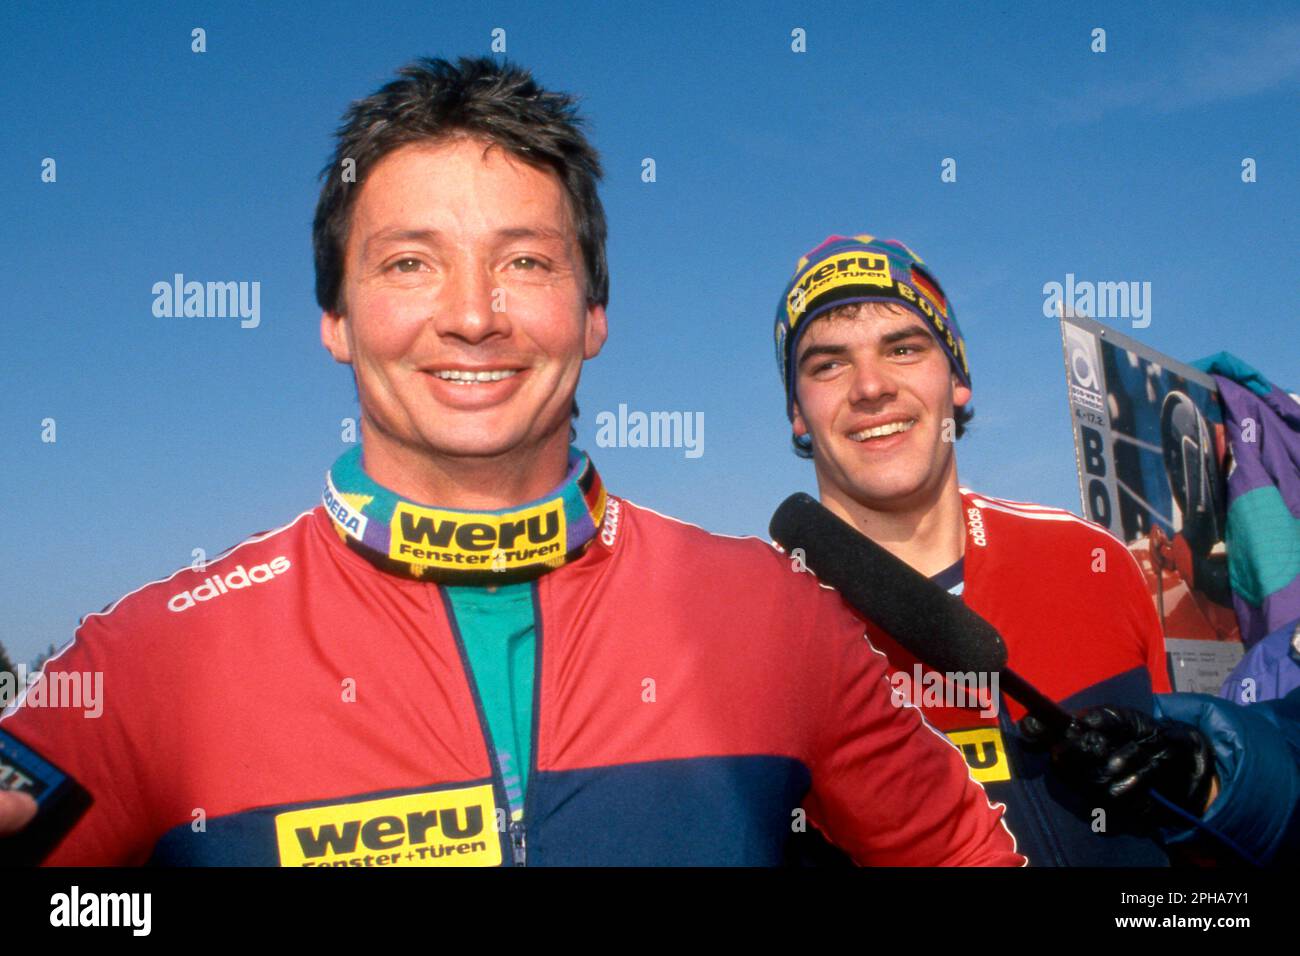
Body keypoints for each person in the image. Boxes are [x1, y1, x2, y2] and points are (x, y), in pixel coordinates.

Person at [0, 60, 1023, 867]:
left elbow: (961, 853)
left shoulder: (772, 608)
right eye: (410, 262)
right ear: (336, 320)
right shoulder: (151, 661)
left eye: (525, 260)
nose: (474, 314)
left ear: (592, 316)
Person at [772, 233, 1300, 866]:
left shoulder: (1091, 563)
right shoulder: (755, 627)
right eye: (827, 364)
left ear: (957, 379)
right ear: (798, 412)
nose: (869, 386)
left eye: (905, 348)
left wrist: (1199, 780)